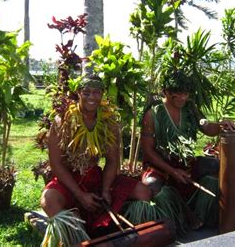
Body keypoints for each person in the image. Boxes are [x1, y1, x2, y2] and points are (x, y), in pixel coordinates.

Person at [40, 74, 152, 245]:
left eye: (97, 92)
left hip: (96, 178)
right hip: (68, 181)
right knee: (49, 201)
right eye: (86, 92)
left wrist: (106, 189)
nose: (92, 97)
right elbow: (56, 164)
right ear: (78, 93)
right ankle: (77, 234)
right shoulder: (62, 120)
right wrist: (79, 194)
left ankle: (120, 228)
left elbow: (112, 161)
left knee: (143, 192)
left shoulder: (109, 121)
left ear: (103, 94)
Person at [140, 70, 235, 232]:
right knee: (152, 186)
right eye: (176, 94)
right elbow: (148, 151)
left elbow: (206, 127)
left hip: (186, 162)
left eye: (185, 94)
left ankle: (224, 212)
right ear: (165, 91)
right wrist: (172, 171)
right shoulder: (152, 115)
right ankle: (187, 216)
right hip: (159, 166)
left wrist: (221, 125)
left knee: (218, 166)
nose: (182, 98)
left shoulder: (190, 108)